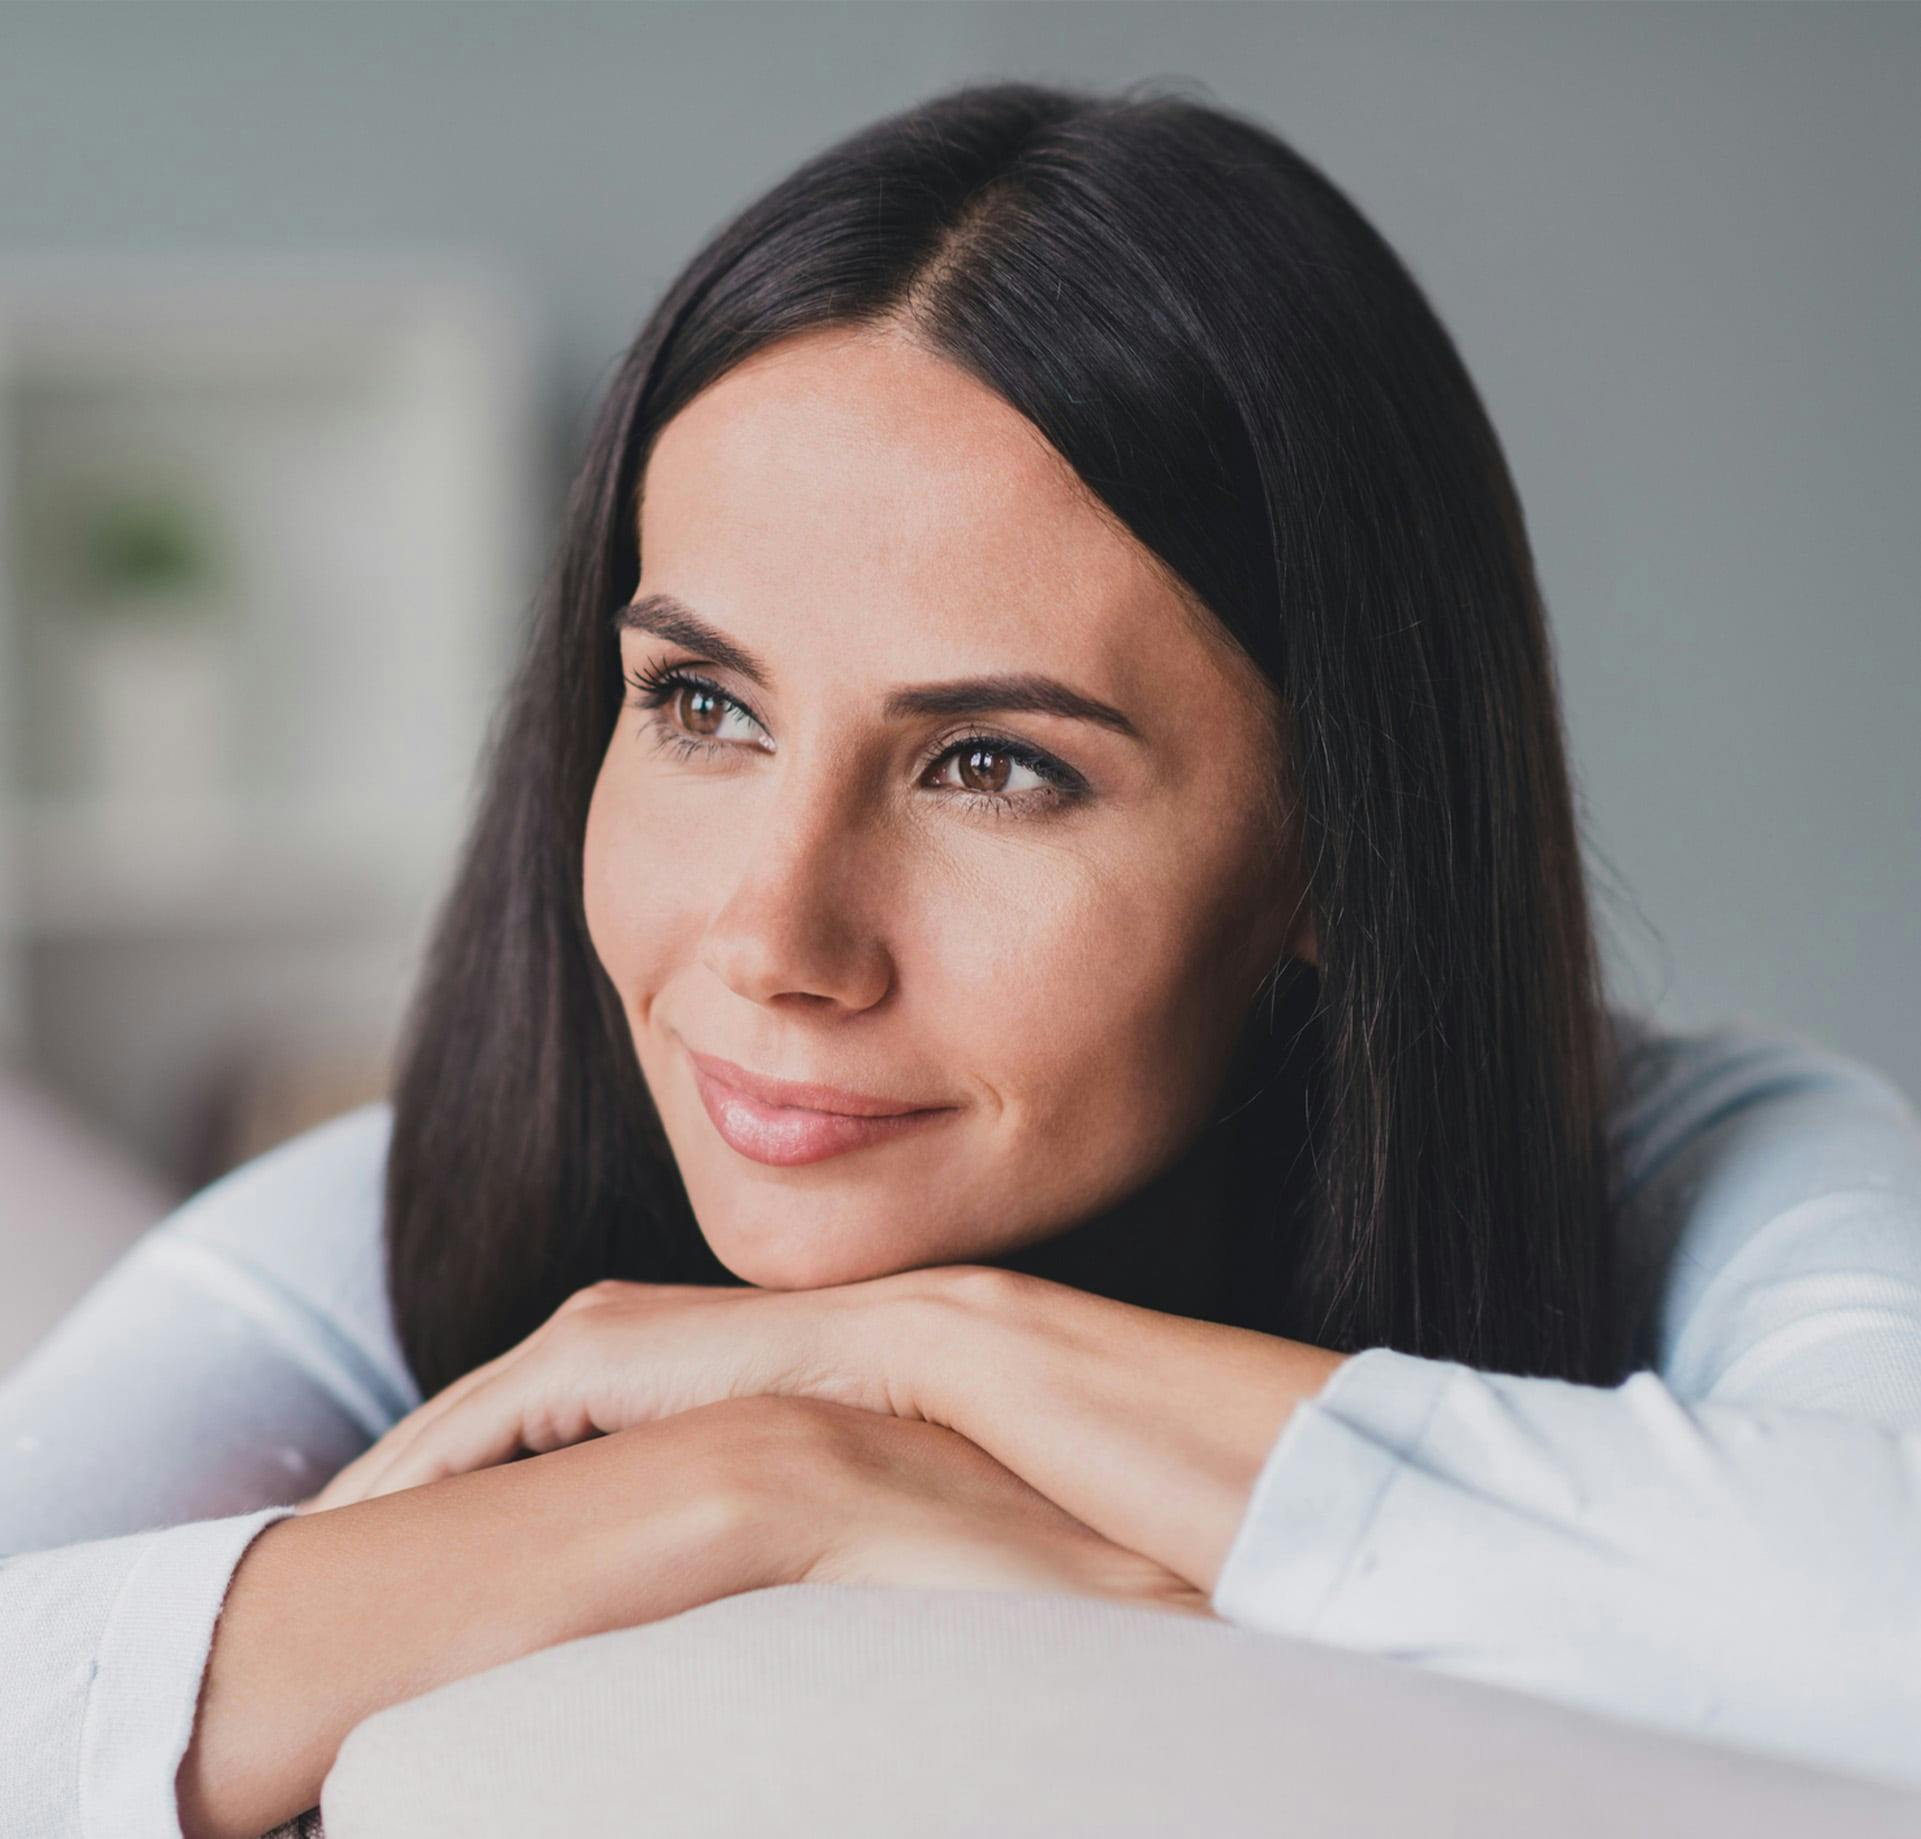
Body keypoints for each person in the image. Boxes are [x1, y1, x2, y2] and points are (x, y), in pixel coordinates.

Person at [4, 78, 1919, 1839]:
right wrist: (752, 1486)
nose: (774, 939)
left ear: (1340, 844)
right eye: (701, 707)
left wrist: (923, 1354)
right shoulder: (403, 1206)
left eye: (992, 765)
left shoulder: (1696, 1167)